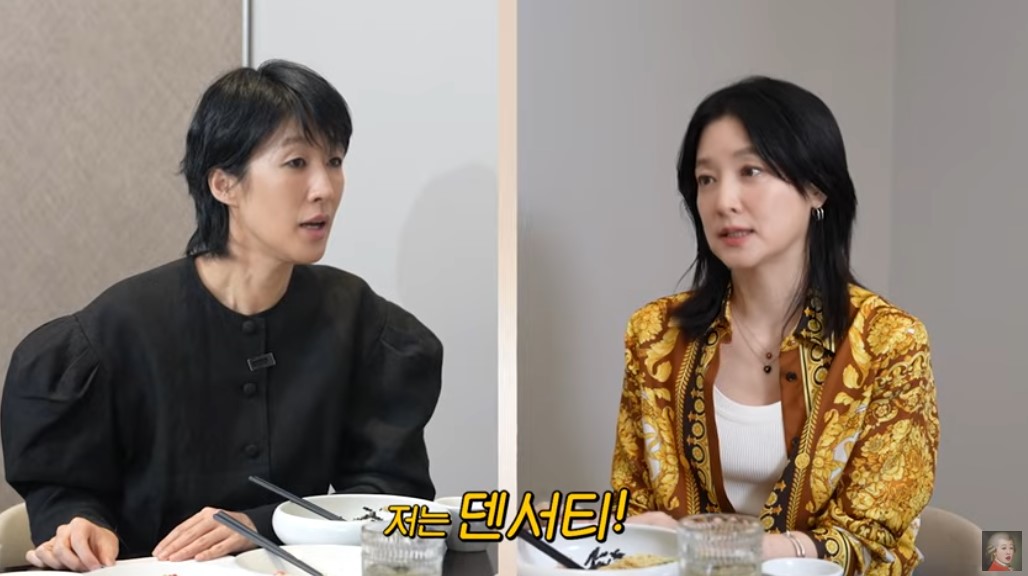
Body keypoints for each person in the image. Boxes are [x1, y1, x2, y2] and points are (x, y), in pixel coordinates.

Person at [1, 59, 443, 572]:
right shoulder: (116, 330)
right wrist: (79, 524)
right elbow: (65, 490)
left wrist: (260, 524)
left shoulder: (362, 322)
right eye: (296, 163)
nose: (324, 187)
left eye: (335, 161)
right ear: (223, 184)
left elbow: (390, 496)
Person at [611, 76, 939, 576]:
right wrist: (632, 528)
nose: (724, 201)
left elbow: (872, 540)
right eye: (706, 179)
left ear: (816, 187)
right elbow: (632, 508)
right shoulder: (655, 334)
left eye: (751, 171)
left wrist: (733, 549)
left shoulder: (889, 343)